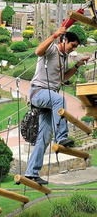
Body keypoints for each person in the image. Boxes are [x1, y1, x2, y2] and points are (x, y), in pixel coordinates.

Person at [26, 26, 91, 185]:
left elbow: (62, 78)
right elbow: (38, 51)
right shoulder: (52, 50)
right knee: (60, 100)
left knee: (44, 137)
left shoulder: (64, 57)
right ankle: (62, 137)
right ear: (64, 41)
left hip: (48, 98)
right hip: (38, 92)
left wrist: (77, 66)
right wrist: (54, 35)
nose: (73, 49)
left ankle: (31, 172)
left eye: (76, 47)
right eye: (72, 45)